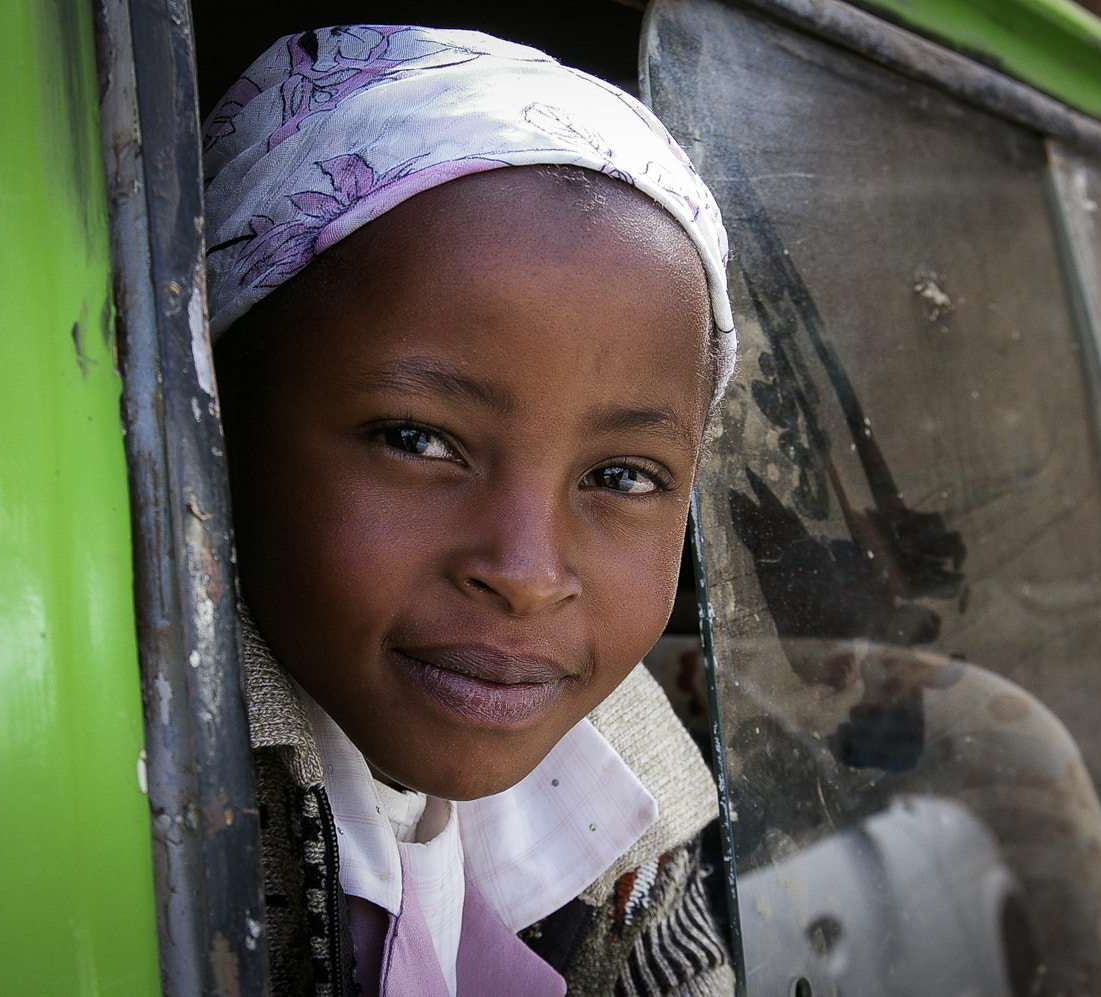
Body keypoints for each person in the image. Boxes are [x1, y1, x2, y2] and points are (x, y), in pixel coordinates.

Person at [202, 24, 738, 997]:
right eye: (415, 439)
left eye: (621, 476)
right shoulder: (153, 758)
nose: (528, 574)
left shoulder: (630, 781)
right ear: (220, 431)